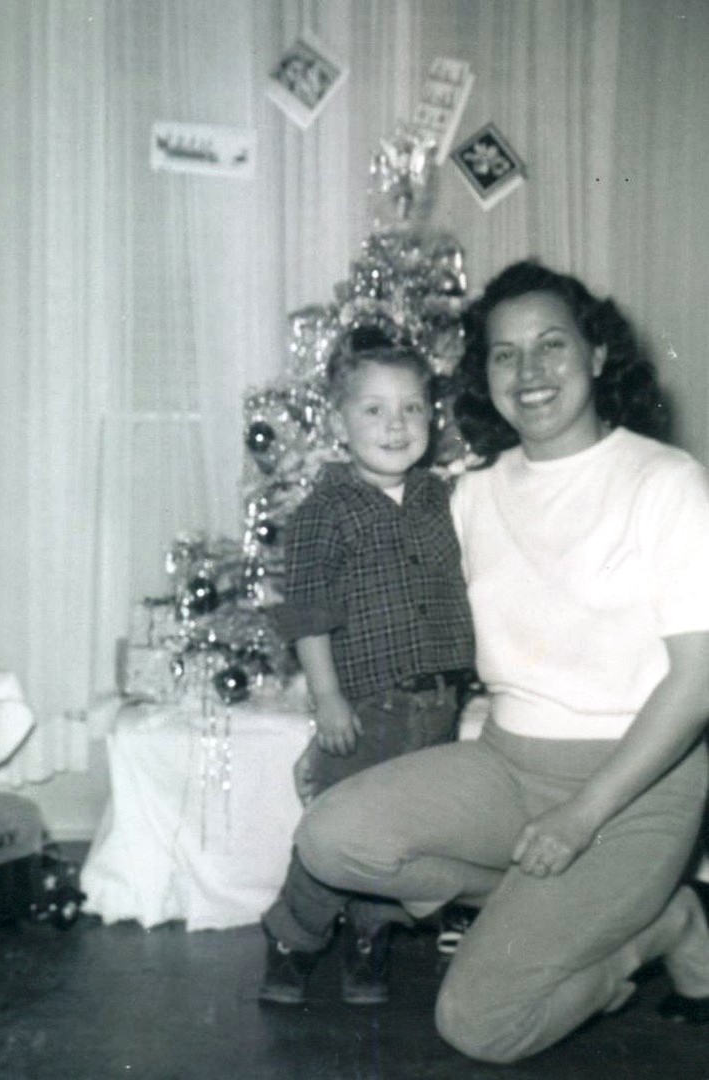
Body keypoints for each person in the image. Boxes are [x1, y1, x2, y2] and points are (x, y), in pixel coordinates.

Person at [293, 260, 709, 1063]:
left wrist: (582, 817)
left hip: (637, 785)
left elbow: (697, 686)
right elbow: (385, 608)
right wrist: (332, 707)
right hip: (508, 763)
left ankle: (657, 927)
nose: (530, 371)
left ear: (597, 353)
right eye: (504, 354)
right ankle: (570, 906)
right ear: (484, 376)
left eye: (552, 344)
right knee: (330, 836)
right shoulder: (470, 494)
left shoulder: (668, 483)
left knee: (480, 1025)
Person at [259, 332, 475, 1007]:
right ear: (339, 421)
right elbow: (308, 614)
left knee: (400, 833)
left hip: (437, 703)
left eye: (411, 408)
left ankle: (369, 937)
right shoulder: (324, 512)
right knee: (339, 826)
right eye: (374, 410)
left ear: (431, 418)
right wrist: (327, 697)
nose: (395, 425)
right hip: (366, 705)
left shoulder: (442, 500)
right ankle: (293, 936)